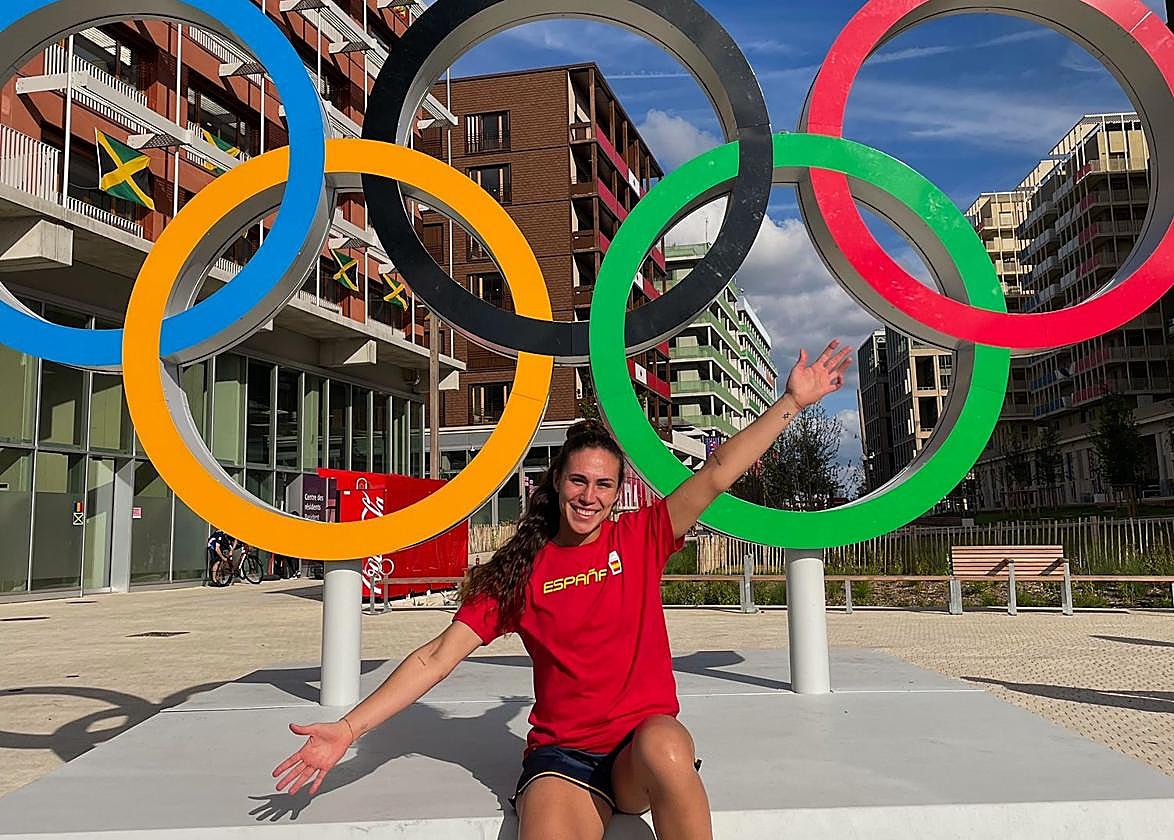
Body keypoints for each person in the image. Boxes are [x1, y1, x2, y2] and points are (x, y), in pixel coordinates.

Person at [272, 340, 853, 839]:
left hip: (637, 753)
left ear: (619, 490)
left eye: (604, 484)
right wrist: (347, 730)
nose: (589, 495)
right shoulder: (520, 568)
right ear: (558, 480)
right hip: (563, 758)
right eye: (578, 479)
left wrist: (793, 402)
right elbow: (435, 657)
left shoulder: (644, 536)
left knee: (670, 746)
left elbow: (718, 470)